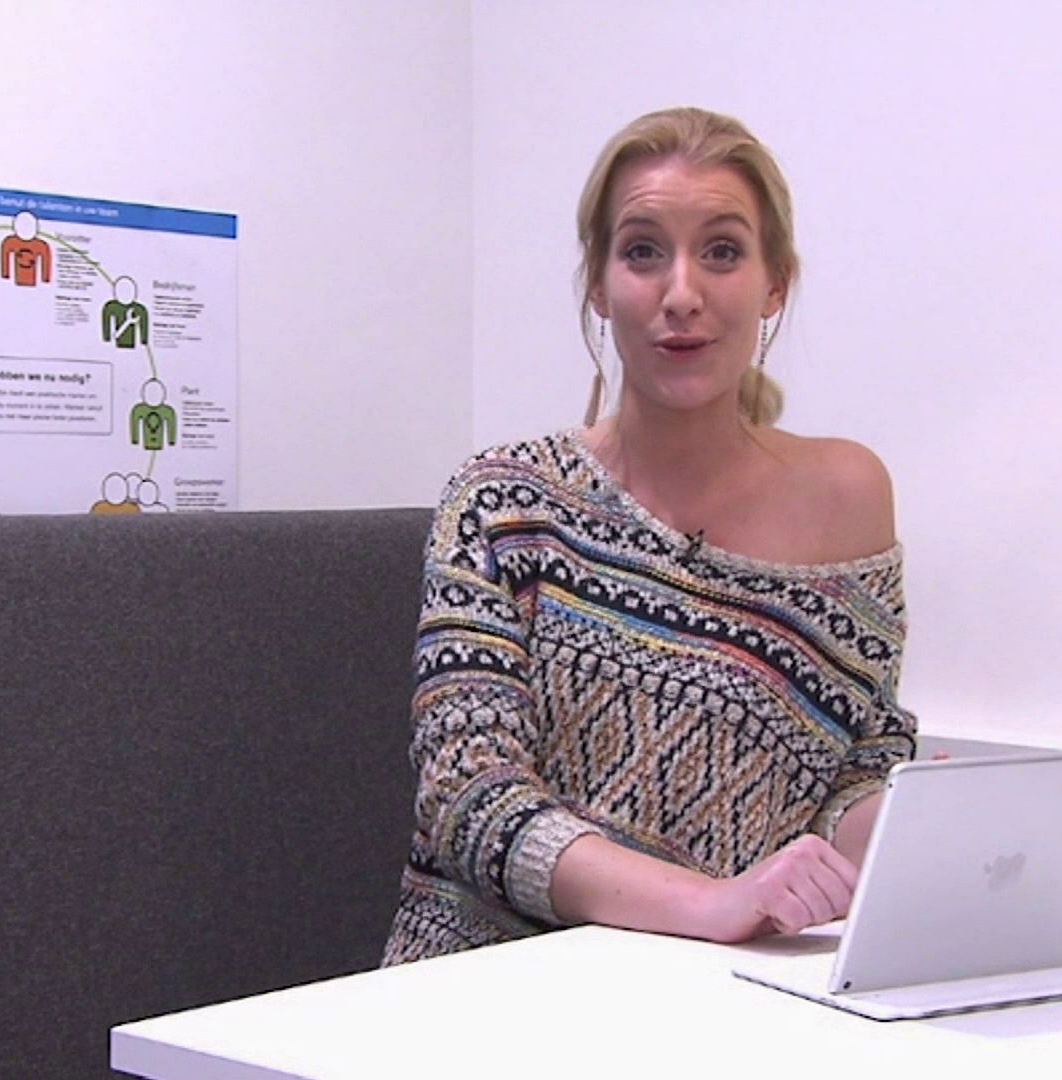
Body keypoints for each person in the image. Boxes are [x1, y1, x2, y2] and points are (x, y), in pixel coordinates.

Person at [381, 106, 916, 965]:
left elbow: (853, 770)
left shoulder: (847, 497)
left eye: (722, 252)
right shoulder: (506, 504)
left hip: (722, 988)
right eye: (642, 252)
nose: (682, 294)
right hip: (487, 986)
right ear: (598, 284)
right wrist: (711, 903)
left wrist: (929, 826)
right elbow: (467, 795)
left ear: (775, 284)